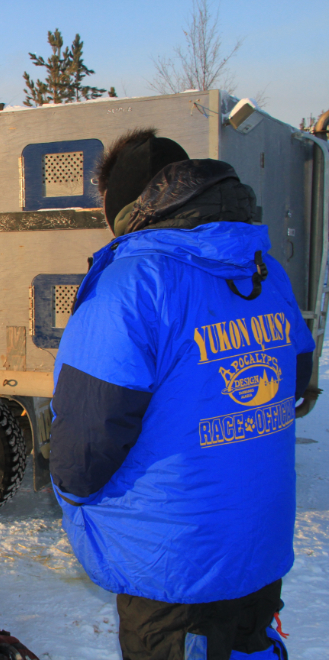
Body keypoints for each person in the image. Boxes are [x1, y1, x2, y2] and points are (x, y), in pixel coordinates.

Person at [49, 128, 314, 659]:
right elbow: (297, 380)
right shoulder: (265, 269)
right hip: (257, 545)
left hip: (172, 564)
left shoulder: (131, 285)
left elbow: (82, 453)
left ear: (126, 207)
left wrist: (79, 505)